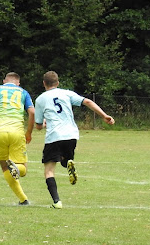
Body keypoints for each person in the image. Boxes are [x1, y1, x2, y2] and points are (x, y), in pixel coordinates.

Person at [34, 70, 115, 208]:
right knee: (66, 160)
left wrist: (43, 124)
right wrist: (104, 115)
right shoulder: (67, 93)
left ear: (44, 83)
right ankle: (69, 163)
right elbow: (87, 101)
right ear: (57, 83)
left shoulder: (41, 99)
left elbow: (39, 126)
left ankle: (56, 202)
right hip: (71, 135)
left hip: (54, 136)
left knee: (49, 171)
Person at [0, 72, 35, 205]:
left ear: (5, 81)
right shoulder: (23, 92)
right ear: (18, 83)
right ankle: (18, 169)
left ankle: (23, 199)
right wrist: (29, 132)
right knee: (22, 170)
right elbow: (32, 112)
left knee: (5, 168)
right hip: (17, 132)